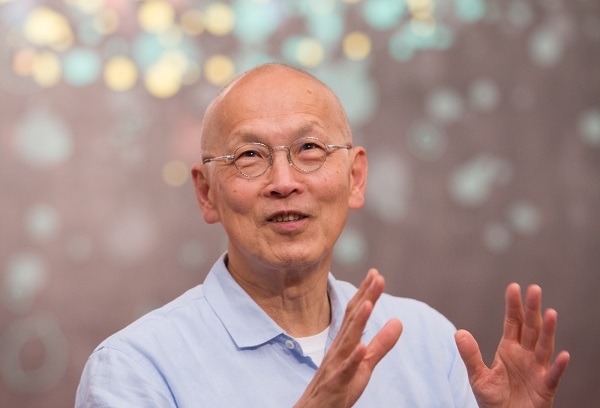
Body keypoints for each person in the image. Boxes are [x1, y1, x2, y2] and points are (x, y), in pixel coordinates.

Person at [75, 63, 570, 407]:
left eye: (309, 148)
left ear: (355, 177)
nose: (284, 181)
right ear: (207, 193)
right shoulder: (135, 368)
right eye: (249, 156)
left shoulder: (426, 341)